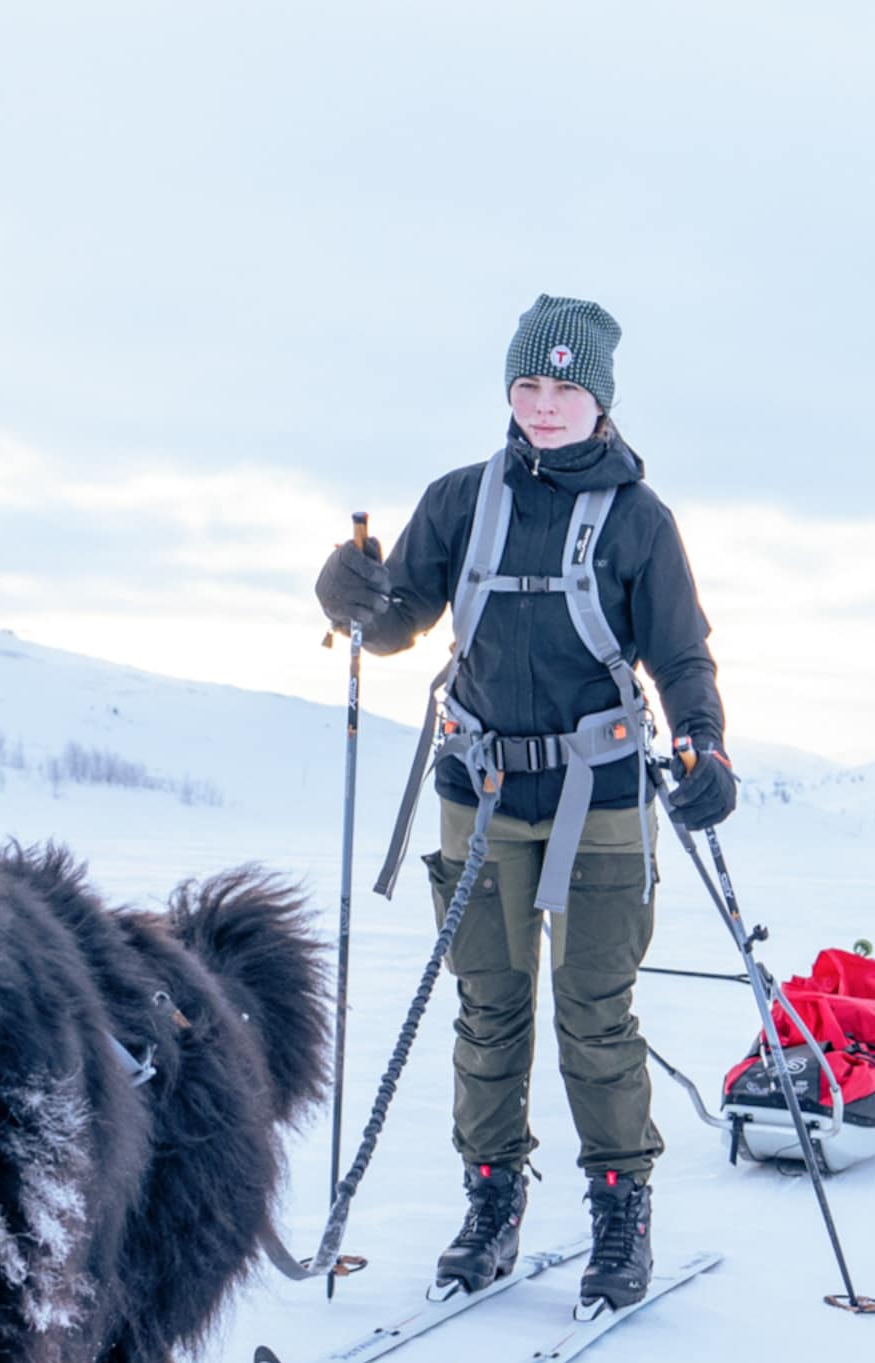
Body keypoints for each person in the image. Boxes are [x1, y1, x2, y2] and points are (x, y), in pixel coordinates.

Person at [314, 295, 735, 1309]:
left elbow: (677, 653)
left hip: (601, 795)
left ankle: (617, 1209)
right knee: (487, 1009)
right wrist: (349, 599)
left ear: (600, 402)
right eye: (527, 385)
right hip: (478, 786)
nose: (543, 406)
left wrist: (702, 739)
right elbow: (394, 621)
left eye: (565, 388)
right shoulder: (460, 500)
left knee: (594, 1014)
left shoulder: (640, 521)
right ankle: (491, 1198)